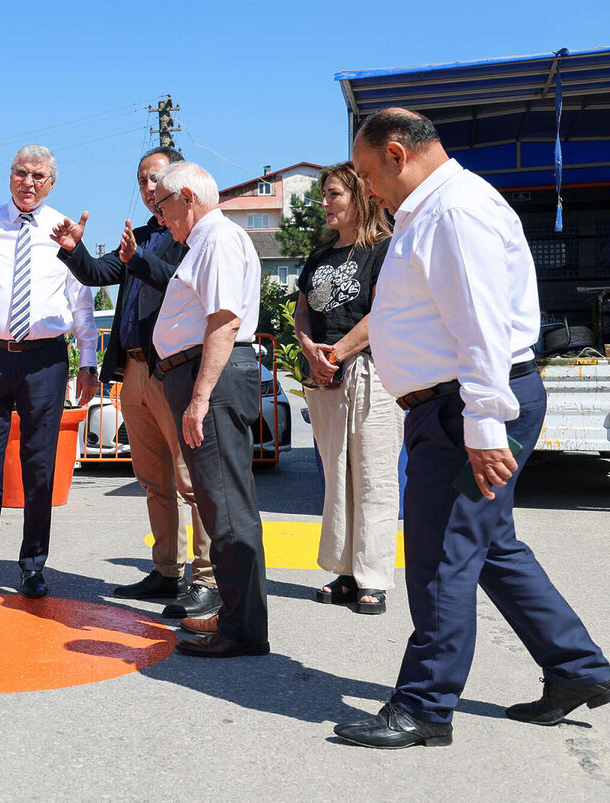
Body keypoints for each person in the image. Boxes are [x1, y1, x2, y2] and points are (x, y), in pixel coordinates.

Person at [335, 108, 610, 748]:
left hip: (470, 406)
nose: (367, 188)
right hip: (457, 405)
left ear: (398, 154)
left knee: (441, 557)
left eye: (369, 173)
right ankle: (578, 669)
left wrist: (485, 425)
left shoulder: (454, 212)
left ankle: (425, 707)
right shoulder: (433, 210)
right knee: (490, 547)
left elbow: (482, 326)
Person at [49, 147, 219, 617]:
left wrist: (140, 261)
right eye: (142, 181)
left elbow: (186, 286)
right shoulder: (141, 236)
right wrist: (74, 250)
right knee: (153, 480)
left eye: (156, 181)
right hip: (136, 372)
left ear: (181, 183)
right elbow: (101, 273)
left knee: (192, 482)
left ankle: (205, 579)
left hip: (176, 371)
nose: (148, 190)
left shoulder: (196, 237)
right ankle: (166, 571)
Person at [0, 144, 98, 603]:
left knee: (39, 468)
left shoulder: (63, 228)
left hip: (44, 360)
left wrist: (86, 361)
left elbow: (82, 302)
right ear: (9, 176)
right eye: (20, 173)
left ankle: (33, 566)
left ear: (51, 183)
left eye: (38, 176)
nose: (28, 183)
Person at [141, 161, 268, 658]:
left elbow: (223, 319)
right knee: (222, 505)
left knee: (226, 506)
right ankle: (239, 614)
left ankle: (243, 627)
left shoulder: (216, 239)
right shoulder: (208, 241)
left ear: (187, 197)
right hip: (198, 374)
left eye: (164, 206)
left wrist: (198, 397)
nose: (162, 218)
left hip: (206, 376)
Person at [294, 162, 401, 615]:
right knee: (336, 479)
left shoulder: (384, 249)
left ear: (358, 197)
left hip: (371, 372)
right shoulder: (318, 256)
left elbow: (385, 313)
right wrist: (308, 348)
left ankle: (373, 578)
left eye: (333, 194)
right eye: (324, 195)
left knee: (374, 478)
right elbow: (302, 312)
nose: (324, 203)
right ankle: (344, 572)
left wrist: (335, 353)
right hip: (324, 377)